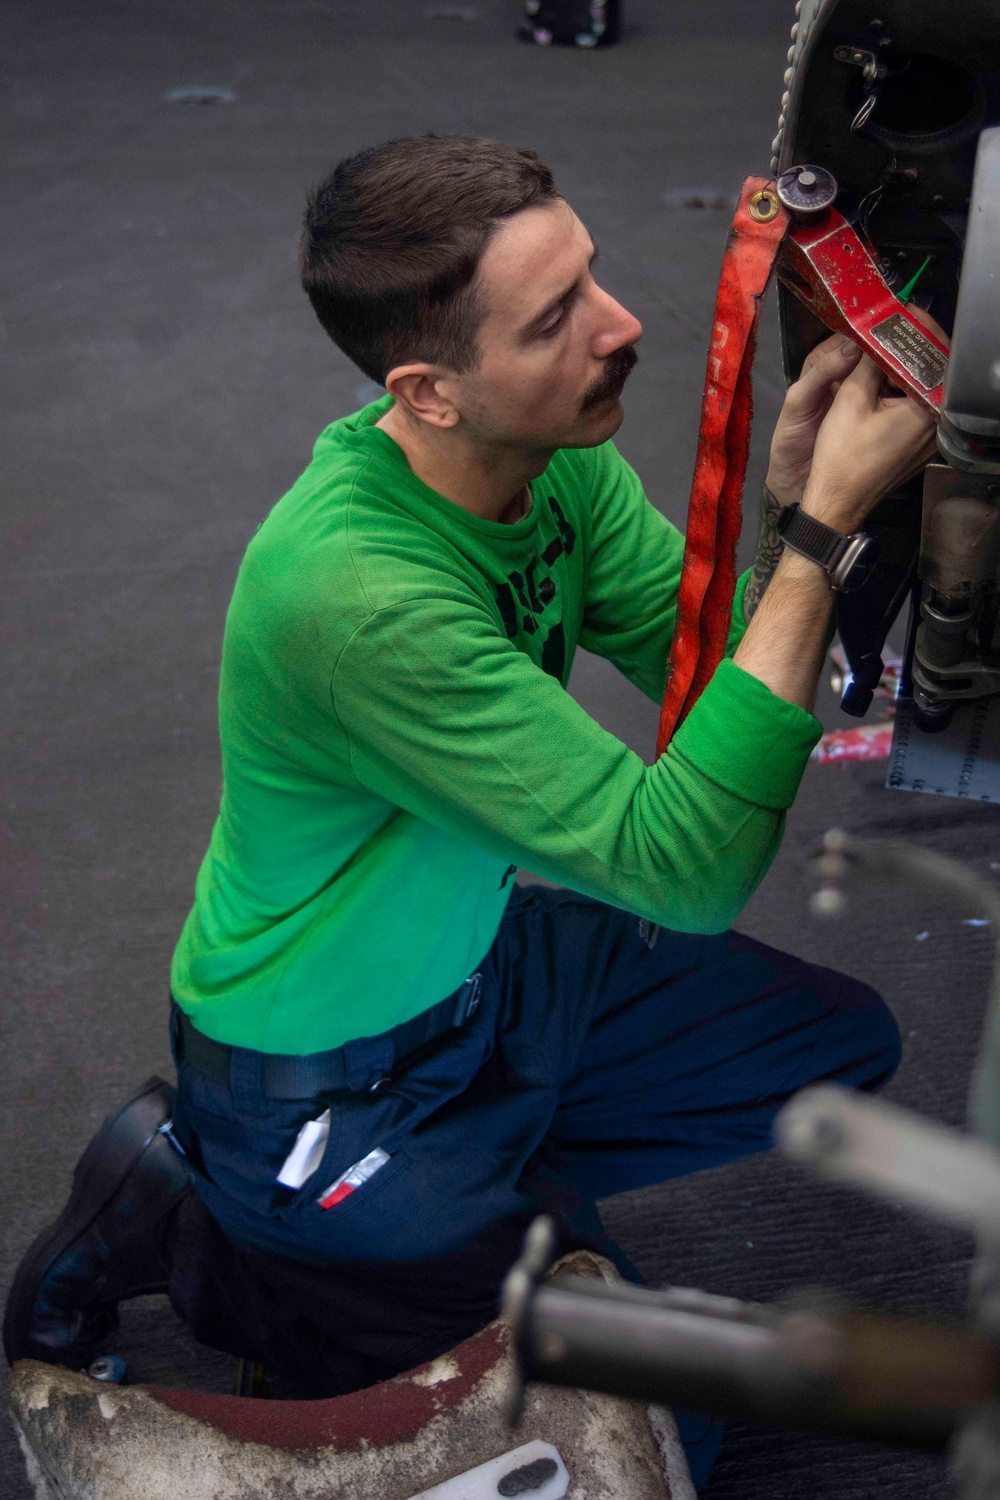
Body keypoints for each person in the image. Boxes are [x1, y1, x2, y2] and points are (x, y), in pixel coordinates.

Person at [5, 135, 936, 1485]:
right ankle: (200, 1213)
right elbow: (690, 868)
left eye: (594, 278)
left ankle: (477, 1215)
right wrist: (817, 542)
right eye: (555, 320)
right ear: (427, 392)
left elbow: (722, 678)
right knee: (673, 1443)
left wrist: (800, 511)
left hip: (487, 977)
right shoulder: (355, 598)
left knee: (838, 1049)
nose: (622, 331)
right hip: (326, 1082)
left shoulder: (547, 455)